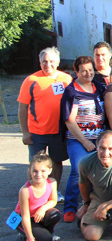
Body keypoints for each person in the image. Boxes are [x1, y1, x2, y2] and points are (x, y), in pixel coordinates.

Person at [17, 47, 71, 203]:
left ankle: (54, 191)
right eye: (45, 61)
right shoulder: (31, 80)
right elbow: (23, 108)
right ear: (40, 62)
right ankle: (33, 195)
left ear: (58, 62)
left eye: (52, 61)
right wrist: (25, 132)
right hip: (37, 132)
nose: (48, 64)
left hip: (59, 131)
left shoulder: (66, 79)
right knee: (36, 164)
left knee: (56, 162)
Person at [61, 56, 107, 223]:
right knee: (77, 169)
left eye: (91, 70)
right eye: (84, 71)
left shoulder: (99, 88)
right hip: (78, 139)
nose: (88, 73)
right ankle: (70, 207)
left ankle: (91, 203)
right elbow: (69, 120)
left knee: (99, 170)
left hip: (99, 137)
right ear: (77, 72)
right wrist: (85, 141)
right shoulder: (72, 91)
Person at [15, 152, 61, 241]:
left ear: (50, 170)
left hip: (37, 215)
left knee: (55, 214)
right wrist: (30, 240)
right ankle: (26, 234)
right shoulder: (25, 190)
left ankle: (45, 232)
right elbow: (25, 217)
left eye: (43, 171)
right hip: (20, 219)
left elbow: (53, 200)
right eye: (35, 171)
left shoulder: (52, 182)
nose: (38, 175)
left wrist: (42, 208)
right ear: (30, 171)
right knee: (45, 240)